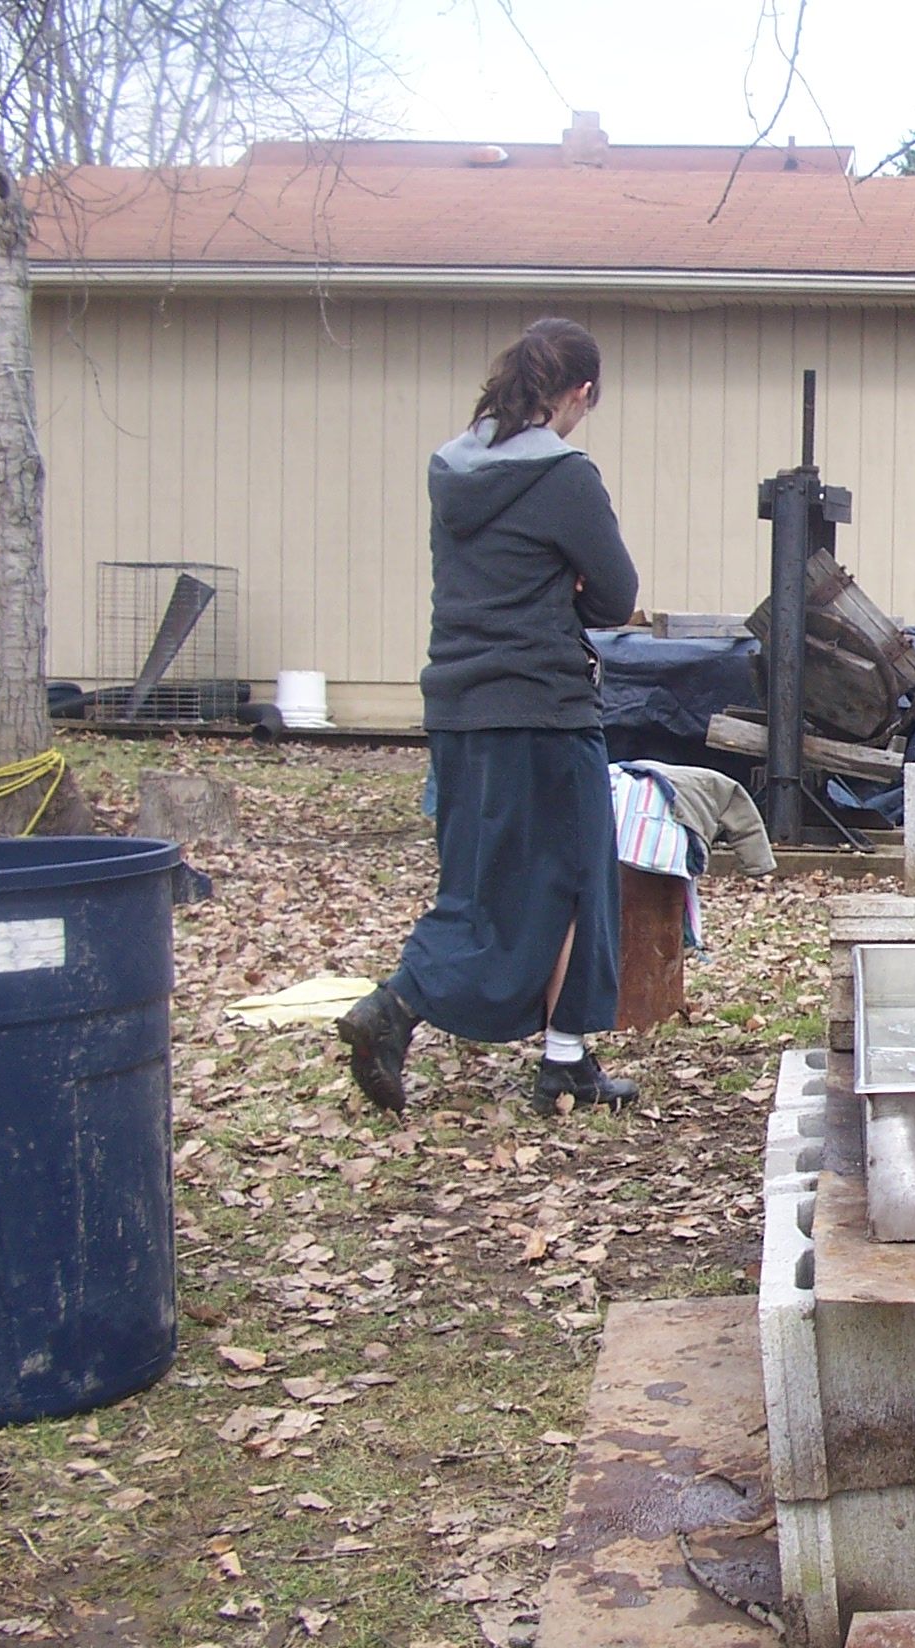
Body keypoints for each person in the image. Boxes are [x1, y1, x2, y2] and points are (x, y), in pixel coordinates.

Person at [338, 317, 641, 1117]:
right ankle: (421, 1013)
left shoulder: (451, 467)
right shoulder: (567, 476)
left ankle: (534, 1050)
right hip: (543, 706)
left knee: (478, 882)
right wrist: (569, 585)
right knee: (577, 880)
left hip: (459, 707)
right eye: (587, 402)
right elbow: (614, 594)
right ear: (579, 391)